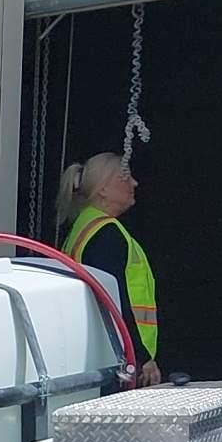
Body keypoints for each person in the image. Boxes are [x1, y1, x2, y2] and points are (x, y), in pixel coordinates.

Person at [56, 152, 162, 386]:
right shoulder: (106, 233)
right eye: (125, 176)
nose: (134, 183)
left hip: (98, 356)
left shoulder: (82, 227)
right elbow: (115, 300)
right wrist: (141, 357)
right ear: (102, 189)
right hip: (118, 360)